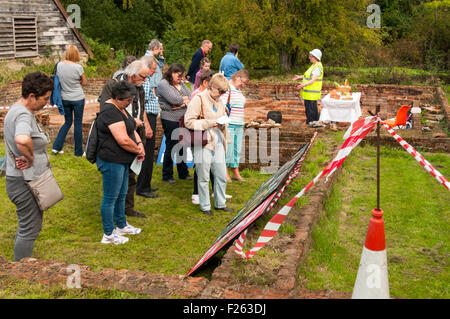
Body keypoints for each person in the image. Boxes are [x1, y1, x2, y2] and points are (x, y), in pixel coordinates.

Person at [3, 71, 54, 261]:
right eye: (45, 98)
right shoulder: (23, 115)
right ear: (32, 96)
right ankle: (21, 269)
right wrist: (30, 157)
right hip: (23, 181)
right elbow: (22, 139)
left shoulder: (18, 111)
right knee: (28, 227)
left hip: (23, 179)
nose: (47, 103)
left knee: (30, 224)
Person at [98, 60, 151, 218]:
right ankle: (114, 211)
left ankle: (127, 209)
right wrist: (128, 122)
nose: (145, 80)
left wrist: (145, 125)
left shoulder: (139, 88)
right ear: (133, 75)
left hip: (135, 134)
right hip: (117, 138)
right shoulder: (112, 86)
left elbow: (141, 109)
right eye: (143, 77)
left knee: (131, 175)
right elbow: (106, 111)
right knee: (118, 178)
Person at [96, 81, 145, 244]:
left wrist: (139, 144)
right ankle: (108, 234)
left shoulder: (121, 109)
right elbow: (123, 139)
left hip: (123, 160)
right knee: (110, 197)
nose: (130, 103)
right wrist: (138, 150)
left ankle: (121, 225)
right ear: (117, 98)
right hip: (111, 161)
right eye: (128, 100)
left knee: (122, 194)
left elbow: (131, 129)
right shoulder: (110, 111)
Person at [184, 74, 234, 216]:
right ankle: (205, 205)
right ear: (212, 86)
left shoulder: (220, 100)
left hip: (218, 140)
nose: (222, 95)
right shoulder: (198, 99)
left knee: (220, 175)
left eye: (224, 92)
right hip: (203, 142)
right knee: (203, 175)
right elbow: (188, 121)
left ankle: (220, 203)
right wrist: (208, 123)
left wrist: (224, 123)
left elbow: (224, 117)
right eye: (221, 91)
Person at [157, 63, 192, 184]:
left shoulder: (181, 84)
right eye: (179, 76)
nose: (181, 78)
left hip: (183, 119)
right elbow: (175, 100)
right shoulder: (163, 84)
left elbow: (190, 96)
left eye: (182, 76)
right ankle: (167, 175)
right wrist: (182, 102)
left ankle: (183, 173)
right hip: (170, 119)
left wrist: (181, 104)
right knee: (171, 146)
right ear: (172, 73)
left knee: (183, 146)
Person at [52, 45, 87, 156]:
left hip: (64, 98)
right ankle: (78, 152)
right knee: (77, 124)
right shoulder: (78, 67)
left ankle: (56, 147)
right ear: (76, 54)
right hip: (77, 98)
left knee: (67, 122)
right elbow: (85, 82)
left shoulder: (59, 65)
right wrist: (77, 83)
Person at [136, 55, 159, 199]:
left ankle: (146, 184)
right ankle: (143, 187)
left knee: (150, 153)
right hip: (147, 118)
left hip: (150, 117)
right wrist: (147, 125)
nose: (155, 71)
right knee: (147, 154)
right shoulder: (144, 82)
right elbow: (142, 103)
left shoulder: (148, 79)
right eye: (154, 69)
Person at [220, 69, 249, 182]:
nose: (243, 85)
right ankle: (225, 172)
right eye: (243, 82)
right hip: (230, 124)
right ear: (238, 77)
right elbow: (221, 104)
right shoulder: (227, 88)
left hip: (239, 124)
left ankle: (235, 171)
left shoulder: (239, 90)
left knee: (237, 149)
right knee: (229, 149)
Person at [292, 49, 323, 126]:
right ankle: (312, 124)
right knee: (309, 111)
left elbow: (313, 80)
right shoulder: (314, 66)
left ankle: (312, 126)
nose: (309, 58)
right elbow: (308, 76)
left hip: (312, 94)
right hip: (309, 94)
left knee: (311, 112)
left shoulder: (317, 67)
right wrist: (300, 77)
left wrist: (303, 85)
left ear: (315, 57)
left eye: (311, 56)